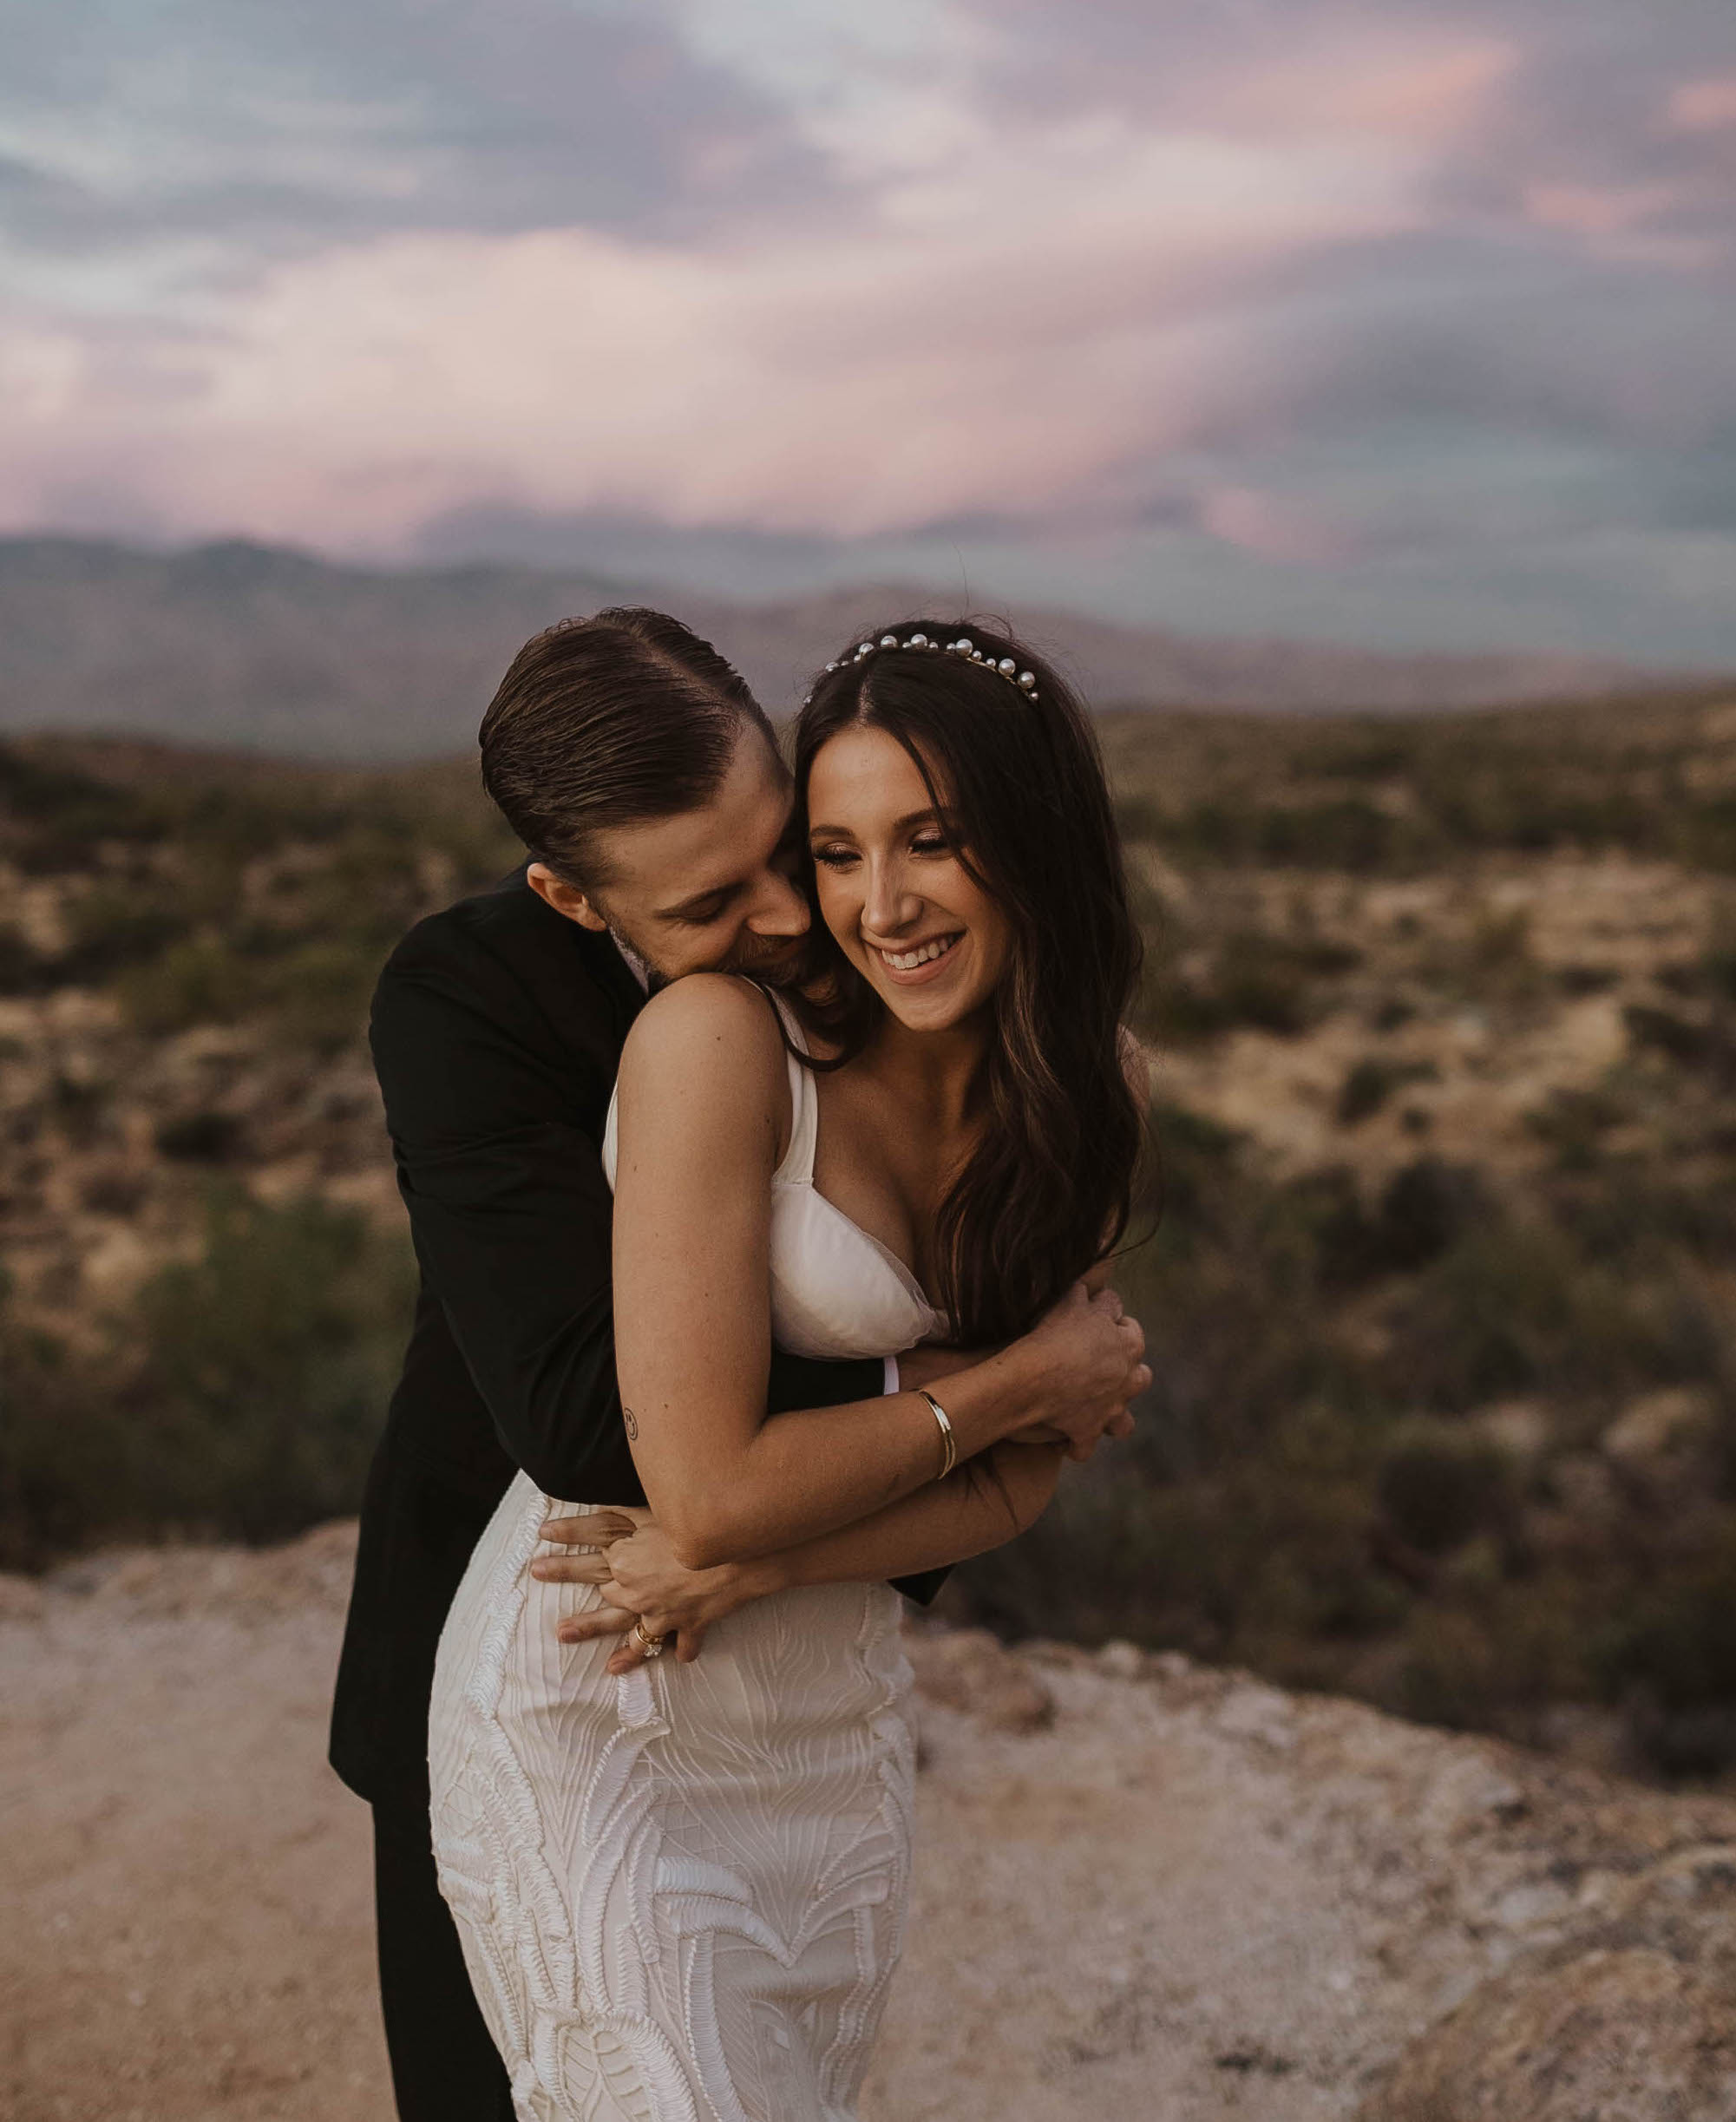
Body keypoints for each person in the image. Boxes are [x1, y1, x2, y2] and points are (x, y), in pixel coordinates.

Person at [329, 608, 1149, 2122]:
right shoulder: (476, 1002)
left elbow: (1015, 1472)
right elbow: (600, 1430)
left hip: (810, 1695)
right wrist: (1007, 1385)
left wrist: (782, 1544)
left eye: (803, 844)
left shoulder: (974, 1028)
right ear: (577, 898)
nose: (802, 914)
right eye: (725, 895)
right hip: (578, 1627)